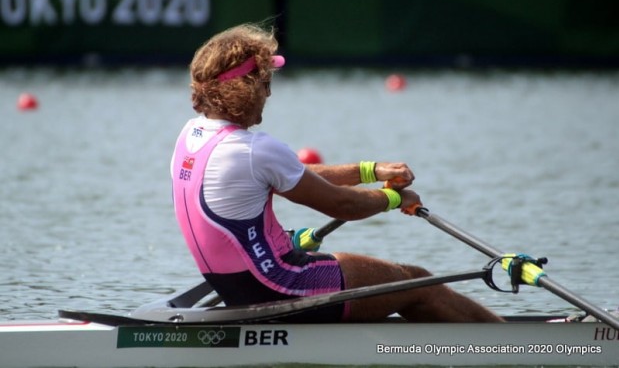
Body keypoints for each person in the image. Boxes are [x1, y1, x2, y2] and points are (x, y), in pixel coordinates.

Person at [171, 23, 502, 323]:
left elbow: (294, 174)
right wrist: (394, 198)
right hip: (282, 285)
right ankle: (506, 344)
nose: (268, 94)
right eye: (264, 83)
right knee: (418, 282)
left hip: (239, 289)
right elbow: (343, 205)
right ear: (242, 88)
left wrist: (369, 171)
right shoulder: (254, 150)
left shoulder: (190, 137)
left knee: (395, 287)